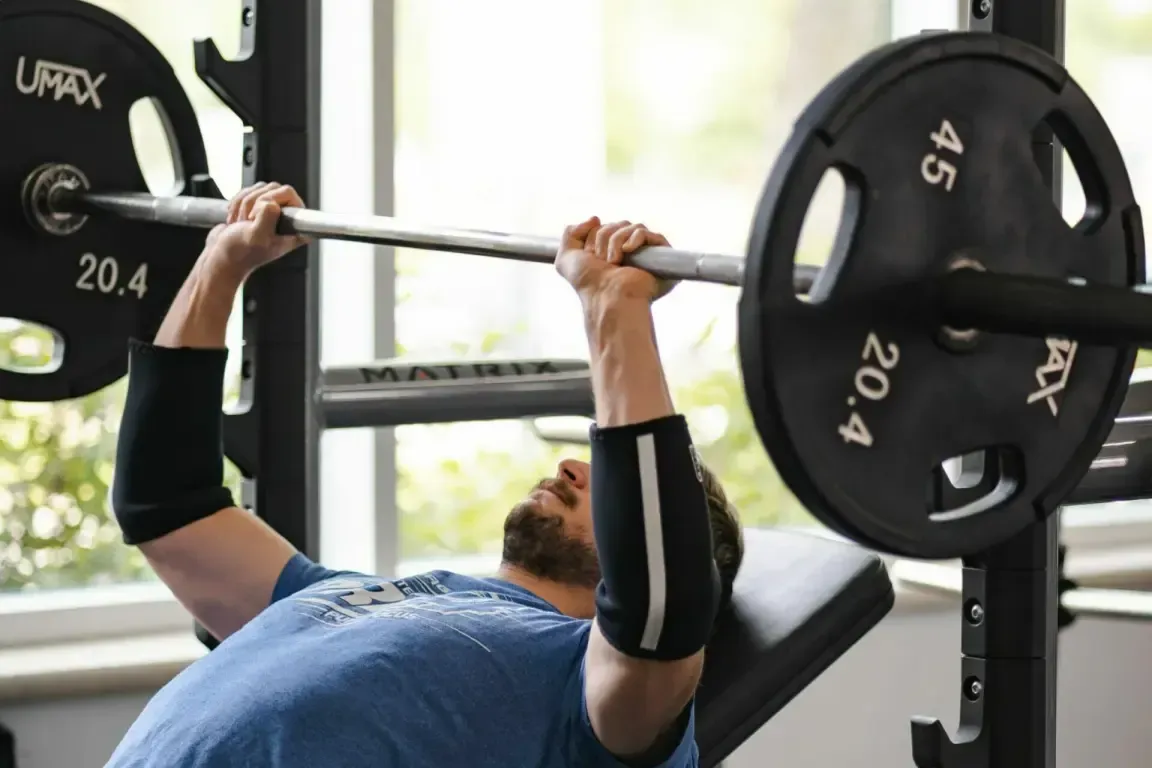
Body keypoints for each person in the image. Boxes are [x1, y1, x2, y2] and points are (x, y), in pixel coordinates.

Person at [105, 183, 744, 768]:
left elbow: (660, 607)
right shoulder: (347, 595)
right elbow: (168, 503)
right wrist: (221, 265)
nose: (572, 465)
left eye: (606, 482)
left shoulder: (590, 691)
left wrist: (615, 307)